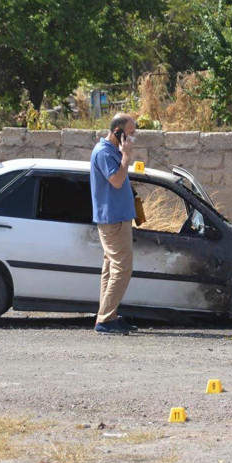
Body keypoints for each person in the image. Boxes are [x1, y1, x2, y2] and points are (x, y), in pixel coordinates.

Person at [89, 113, 139, 335]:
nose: (132, 139)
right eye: (130, 134)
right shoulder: (104, 152)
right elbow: (116, 181)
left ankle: (108, 315)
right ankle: (105, 319)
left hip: (118, 218)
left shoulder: (110, 151)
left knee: (110, 269)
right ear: (118, 132)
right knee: (122, 268)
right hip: (113, 220)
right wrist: (126, 156)